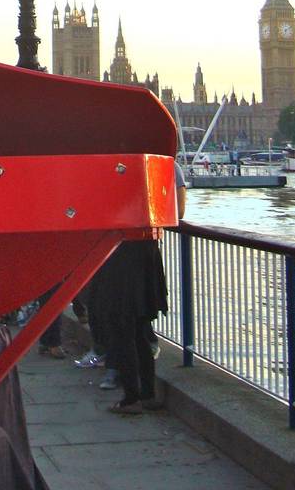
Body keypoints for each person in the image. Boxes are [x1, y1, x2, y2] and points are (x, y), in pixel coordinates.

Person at [99, 161, 187, 414]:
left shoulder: (117, 167)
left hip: (120, 252)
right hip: (148, 250)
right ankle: (147, 393)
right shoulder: (162, 164)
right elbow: (177, 211)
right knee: (140, 329)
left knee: (121, 328)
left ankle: (131, 397)